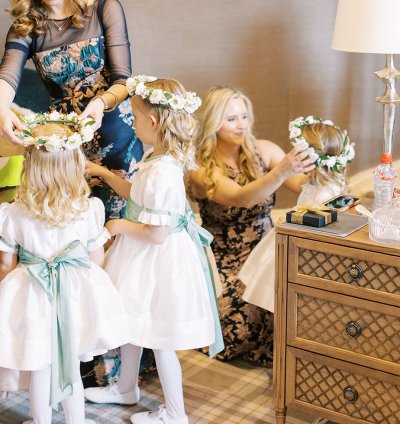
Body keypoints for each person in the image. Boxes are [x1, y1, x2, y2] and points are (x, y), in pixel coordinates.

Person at [84, 75, 223, 424]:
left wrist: (115, 226)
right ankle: (125, 387)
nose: (130, 121)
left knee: (159, 337)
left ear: (154, 121)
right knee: (131, 321)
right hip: (142, 255)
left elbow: (156, 233)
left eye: (133, 115)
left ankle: (176, 413)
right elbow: (136, 196)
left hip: (158, 261)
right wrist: (101, 171)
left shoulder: (162, 171)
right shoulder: (158, 158)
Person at [0, 0, 143, 220]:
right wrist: (1, 108)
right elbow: (7, 76)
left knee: (119, 230)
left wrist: (101, 103)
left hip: (116, 137)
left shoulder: (105, 9)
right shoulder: (27, 27)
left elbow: (123, 80)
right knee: (76, 234)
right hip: (66, 149)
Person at [0, 112, 133, 424]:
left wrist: (7, 291)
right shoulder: (88, 209)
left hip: (31, 293)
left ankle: (41, 420)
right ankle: (76, 421)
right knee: (69, 362)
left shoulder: (12, 213)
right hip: (75, 295)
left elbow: (6, 263)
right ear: (75, 165)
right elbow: (96, 259)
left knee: (41, 365)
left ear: (30, 166)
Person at [188, 86, 315, 366]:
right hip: (226, 257)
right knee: (240, 326)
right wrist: (281, 170)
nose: (241, 125)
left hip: (267, 249)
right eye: (231, 118)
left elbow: (300, 184)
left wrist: (325, 163)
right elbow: (239, 198)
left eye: (244, 116)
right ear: (213, 121)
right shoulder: (199, 167)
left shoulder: (264, 149)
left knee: (297, 304)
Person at [239, 115, 355, 313]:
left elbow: (317, 222)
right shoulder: (319, 182)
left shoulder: (324, 191)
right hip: (292, 241)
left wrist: (293, 220)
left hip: (301, 250)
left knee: (283, 300)